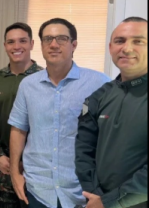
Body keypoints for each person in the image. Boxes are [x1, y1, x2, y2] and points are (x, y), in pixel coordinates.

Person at [7, 18, 111, 208]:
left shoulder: (100, 83)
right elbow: (18, 129)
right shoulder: (28, 85)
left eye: (61, 39)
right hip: (37, 189)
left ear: (74, 45)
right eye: (48, 39)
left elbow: (113, 136)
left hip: (83, 191)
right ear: (41, 45)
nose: (54, 44)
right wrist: (15, 173)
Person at [75, 17, 147, 208]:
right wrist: (95, 196)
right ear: (110, 47)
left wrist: (110, 202)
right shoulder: (98, 96)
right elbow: (83, 150)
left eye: (138, 41)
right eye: (120, 41)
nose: (127, 48)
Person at [0, 22, 43, 208]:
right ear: (5, 46)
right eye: (11, 42)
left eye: (22, 41)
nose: (16, 46)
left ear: (32, 44)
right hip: (3, 165)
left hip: (35, 167)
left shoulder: (46, 78)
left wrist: (27, 161)